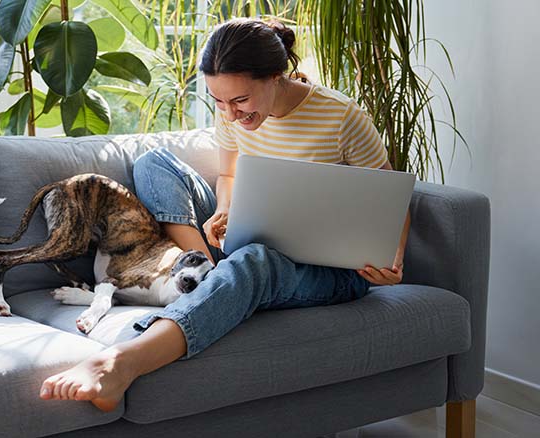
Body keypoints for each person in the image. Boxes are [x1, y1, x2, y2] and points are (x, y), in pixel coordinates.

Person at [38, 17, 411, 412]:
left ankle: (122, 361)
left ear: (275, 77)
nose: (231, 115)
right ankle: (212, 268)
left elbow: (390, 197)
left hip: (325, 270)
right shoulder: (231, 113)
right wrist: (224, 209)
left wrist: (393, 258)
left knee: (257, 260)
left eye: (241, 101)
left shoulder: (340, 117)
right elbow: (230, 173)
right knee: (153, 165)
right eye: (219, 102)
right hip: (252, 235)